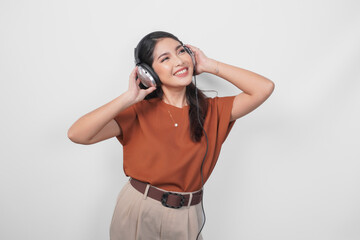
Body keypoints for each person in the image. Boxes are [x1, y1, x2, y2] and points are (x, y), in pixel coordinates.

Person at [67, 31, 274, 240]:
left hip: (188, 215)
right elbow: (77, 134)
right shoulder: (138, 111)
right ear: (148, 73)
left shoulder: (214, 110)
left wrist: (209, 65)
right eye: (165, 58)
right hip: (139, 209)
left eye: (181, 52)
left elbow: (264, 88)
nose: (179, 61)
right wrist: (129, 97)